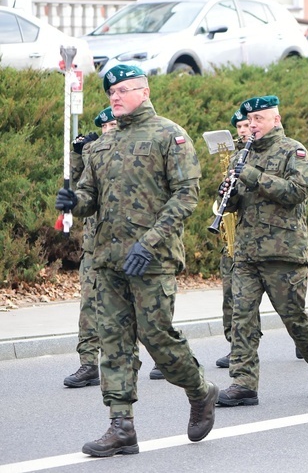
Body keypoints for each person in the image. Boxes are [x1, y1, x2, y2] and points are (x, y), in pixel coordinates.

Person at [54, 64, 218, 456]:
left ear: (143, 92)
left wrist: (151, 241)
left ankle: (200, 391)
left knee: (157, 337)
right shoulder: (101, 146)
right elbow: (90, 196)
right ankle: (121, 425)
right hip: (109, 262)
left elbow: (185, 197)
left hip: (152, 259)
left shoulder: (169, 135)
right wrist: (74, 201)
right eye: (111, 92)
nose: (115, 96)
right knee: (114, 343)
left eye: (123, 90)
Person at [216, 95, 308, 406]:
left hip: (283, 252)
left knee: (294, 318)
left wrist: (252, 177)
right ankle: (243, 382)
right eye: (250, 120)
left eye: (259, 119)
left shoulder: (292, 151)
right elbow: (235, 203)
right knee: (241, 317)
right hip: (245, 252)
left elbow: (296, 192)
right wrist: (227, 196)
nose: (253, 125)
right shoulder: (240, 156)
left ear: (276, 120)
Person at [63, 107, 117, 388]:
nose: (108, 129)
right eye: (104, 126)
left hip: (123, 247)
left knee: (137, 308)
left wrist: (90, 150)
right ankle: (87, 364)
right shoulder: (92, 155)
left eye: (113, 125)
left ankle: (163, 358)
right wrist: (76, 152)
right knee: (88, 306)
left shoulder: (124, 153)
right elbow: (77, 186)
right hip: (93, 246)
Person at [215, 108, 253, 370]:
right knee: (235, 298)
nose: (242, 131)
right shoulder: (235, 156)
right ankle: (236, 348)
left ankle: (303, 341)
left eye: (246, 125)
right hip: (236, 238)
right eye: (238, 127)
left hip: (266, 240)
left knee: (289, 307)